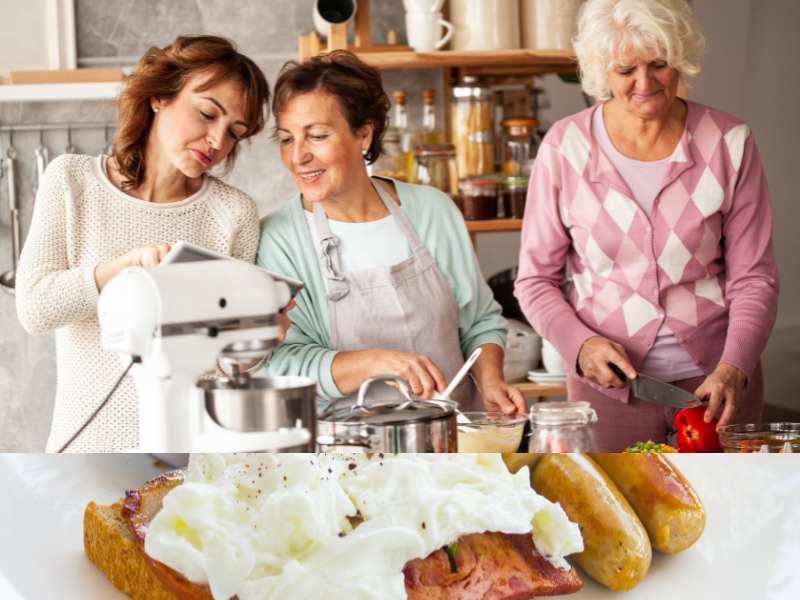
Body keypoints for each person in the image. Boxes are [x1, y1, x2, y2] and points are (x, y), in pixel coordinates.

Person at [514, 0, 779, 450]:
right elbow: (535, 280)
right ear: (601, 70)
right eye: (625, 70)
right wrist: (579, 346)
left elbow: (754, 277)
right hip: (609, 390)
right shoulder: (565, 148)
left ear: (680, 56)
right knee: (615, 515)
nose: (645, 83)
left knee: (729, 512)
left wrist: (734, 366)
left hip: (718, 384)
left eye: (659, 64)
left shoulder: (728, 143)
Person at [16, 35, 270, 452]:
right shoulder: (71, 181)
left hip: (188, 457)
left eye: (233, 133)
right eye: (207, 114)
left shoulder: (233, 214)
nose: (217, 141)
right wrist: (126, 269)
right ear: (159, 96)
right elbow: (34, 308)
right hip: (84, 450)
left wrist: (258, 338)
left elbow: (227, 367)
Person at [258, 51, 524, 414]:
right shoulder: (279, 238)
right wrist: (377, 362)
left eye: (317, 136)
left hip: (452, 439)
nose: (297, 156)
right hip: (343, 452)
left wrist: (491, 381)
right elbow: (281, 363)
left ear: (364, 134)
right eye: (287, 139)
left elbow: (479, 321)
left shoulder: (433, 211)